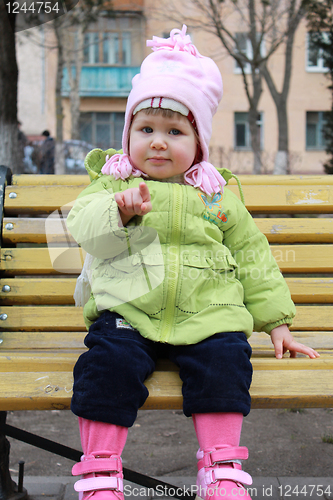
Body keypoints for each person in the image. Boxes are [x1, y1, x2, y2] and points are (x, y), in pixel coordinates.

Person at [66, 26, 319, 500]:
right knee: (105, 364)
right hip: (129, 311)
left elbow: (252, 256)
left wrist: (277, 323)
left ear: (199, 142)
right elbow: (83, 229)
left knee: (226, 360)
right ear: (129, 135)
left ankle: (221, 469)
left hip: (208, 314)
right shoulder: (111, 184)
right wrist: (118, 211)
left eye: (174, 132)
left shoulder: (217, 195)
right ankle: (100, 471)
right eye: (146, 130)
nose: (158, 143)